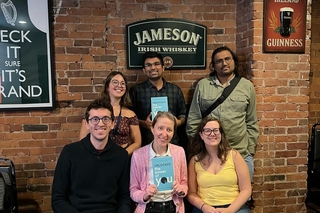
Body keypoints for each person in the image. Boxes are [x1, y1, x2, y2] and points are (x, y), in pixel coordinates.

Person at [186, 46, 259, 180]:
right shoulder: (203, 85)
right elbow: (193, 118)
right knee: (212, 195)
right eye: (219, 61)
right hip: (209, 154)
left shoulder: (246, 86)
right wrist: (199, 147)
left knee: (243, 196)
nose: (224, 63)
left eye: (227, 59)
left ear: (234, 62)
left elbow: (252, 121)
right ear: (213, 66)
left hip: (240, 152)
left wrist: (250, 149)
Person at [52, 98, 132, 213]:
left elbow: (124, 197)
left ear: (113, 124)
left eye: (106, 119)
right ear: (87, 124)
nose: (100, 123)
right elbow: (58, 199)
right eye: (95, 119)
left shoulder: (121, 155)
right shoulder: (70, 152)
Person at [187, 117, 252, 213]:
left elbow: (246, 189)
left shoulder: (234, 155)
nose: (212, 134)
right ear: (201, 135)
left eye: (216, 130)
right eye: (207, 131)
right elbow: (191, 193)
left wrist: (230, 210)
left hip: (234, 206)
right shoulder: (194, 161)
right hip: (205, 208)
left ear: (221, 134)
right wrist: (204, 207)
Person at [130, 111, 188, 213]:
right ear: (152, 129)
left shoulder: (179, 152)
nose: (164, 134)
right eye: (160, 128)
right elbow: (133, 190)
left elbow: (184, 183)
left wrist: (180, 190)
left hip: (173, 205)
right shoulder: (138, 155)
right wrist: (145, 195)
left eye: (169, 130)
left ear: (173, 133)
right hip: (149, 206)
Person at [129, 51, 187, 147]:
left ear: (163, 67)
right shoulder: (136, 91)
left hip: (171, 144)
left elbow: (183, 114)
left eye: (156, 64)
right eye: (148, 65)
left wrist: (177, 122)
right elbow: (130, 118)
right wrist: (144, 123)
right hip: (146, 143)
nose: (153, 67)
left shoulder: (175, 90)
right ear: (144, 70)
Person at [79, 71, 141, 156]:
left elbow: (137, 143)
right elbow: (82, 139)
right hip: (97, 157)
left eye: (123, 83)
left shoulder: (130, 114)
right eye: (115, 82)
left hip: (122, 158)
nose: (119, 85)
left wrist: (122, 155)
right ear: (107, 86)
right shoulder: (93, 111)